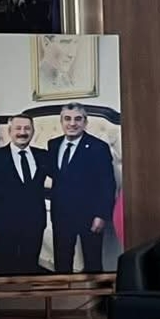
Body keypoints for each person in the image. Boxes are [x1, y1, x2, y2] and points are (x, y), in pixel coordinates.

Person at [0, 114, 52, 273]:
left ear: (33, 131)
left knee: (31, 267)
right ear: (10, 131)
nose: (22, 132)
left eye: (27, 128)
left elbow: (63, 177)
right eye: (18, 128)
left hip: (35, 223)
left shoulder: (43, 156)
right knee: (6, 268)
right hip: (4, 225)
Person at [48, 103, 117, 272]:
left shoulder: (98, 147)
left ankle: (95, 291)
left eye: (78, 119)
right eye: (67, 119)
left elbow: (107, 184)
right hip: (61, 215)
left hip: (90, 215)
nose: (72, 124)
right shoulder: (53, 145)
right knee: (62, 263)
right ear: (61, 122)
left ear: (85, 122)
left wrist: (101, 215)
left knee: (93, 263)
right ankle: (63, 290)